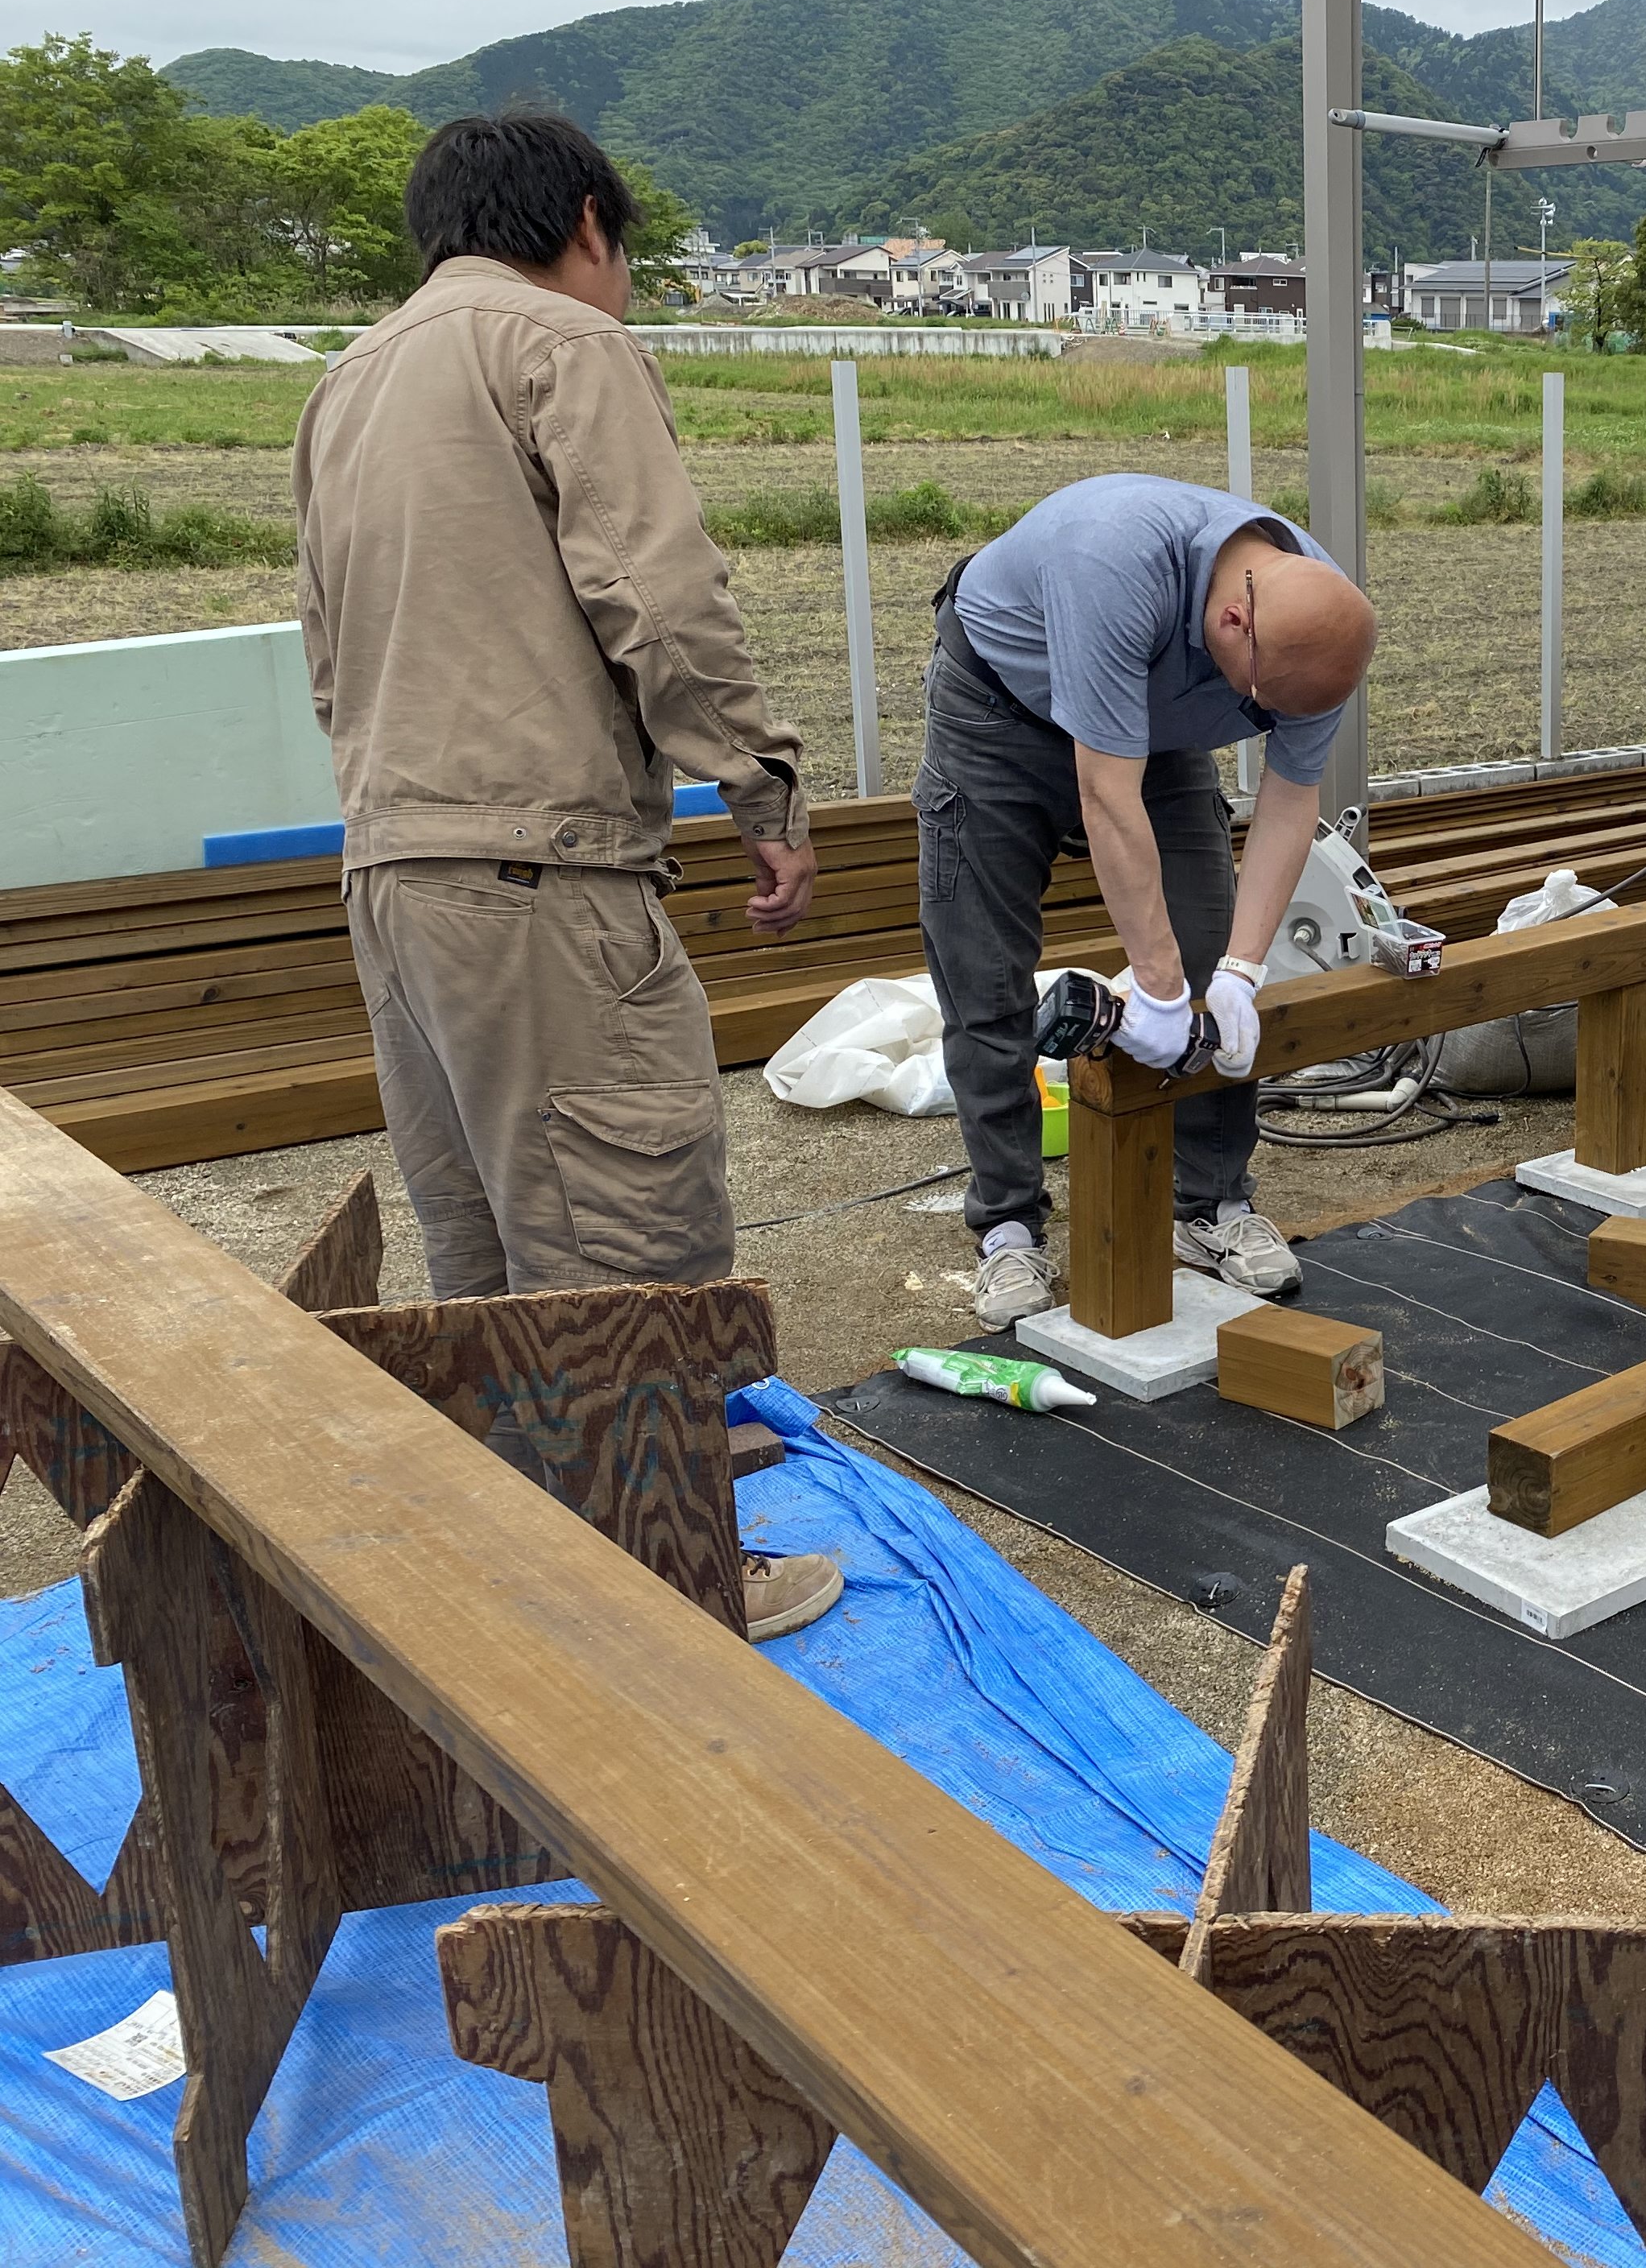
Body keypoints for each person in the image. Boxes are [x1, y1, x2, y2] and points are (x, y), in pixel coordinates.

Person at [292, 110, 840, 1639]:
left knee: (479, 1240)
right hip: (542, 870)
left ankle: (518, 1573)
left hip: (393, 871)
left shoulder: (350, 378)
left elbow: (329, 658)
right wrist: (760, 781)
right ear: (587, 221)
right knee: (623, 1240)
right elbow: (660, 597)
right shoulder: (559, 346)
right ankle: (667, 1590)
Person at [916, 475, 1381, 1330]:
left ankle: (1213, 1205)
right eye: (1257, 706)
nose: (1263, 720)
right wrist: (1158, 989)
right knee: (984, 982)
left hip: (1160, 738)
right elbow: (1106, 797)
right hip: (996, 715)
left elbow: (1289, 801)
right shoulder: (1114, 562)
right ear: (1233, 624)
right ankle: (1009, 1226)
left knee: (1208, 952)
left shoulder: (1317, 628)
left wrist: (1236, 972)